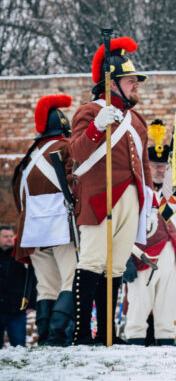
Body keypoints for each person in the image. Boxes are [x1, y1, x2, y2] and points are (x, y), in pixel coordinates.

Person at [68, 36, 159, 345]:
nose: (136, 85)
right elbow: (77, 153)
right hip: (98, 197)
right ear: (113, 82)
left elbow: (144, 166)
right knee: (92, 263)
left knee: (116, 267)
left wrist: (152, 207)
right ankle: (83, 334)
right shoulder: (90, 111)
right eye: (131, 80)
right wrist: (96, 128)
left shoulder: (137, 119)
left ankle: (107, 333)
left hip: (131, 197)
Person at [11, 94, 77, 346]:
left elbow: (19, 201)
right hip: (61, 226)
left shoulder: (27, 160)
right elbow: (77, 185)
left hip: (32, 232)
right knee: (73, 279)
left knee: (48, 287)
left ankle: (46, 337)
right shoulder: (65, 148)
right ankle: (58, 336)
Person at [123, 121, 176, 345]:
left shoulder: (174, 196)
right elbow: (124, 226)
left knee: (169, 310)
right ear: (147, 168)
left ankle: (166, 354)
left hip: (171, 256)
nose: (160, 170)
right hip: (141, 257)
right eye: (155, 166)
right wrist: (125, 258)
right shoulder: (136, 193)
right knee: (138, 310)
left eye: (164, 167)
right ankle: (134, 349)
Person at [0, 226, 29, 347]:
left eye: (11, 236)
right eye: (5, 236)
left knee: (19, 346)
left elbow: (31, 281)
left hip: (17, 310)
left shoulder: (21, 258)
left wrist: (30, 304)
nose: (9, 239)